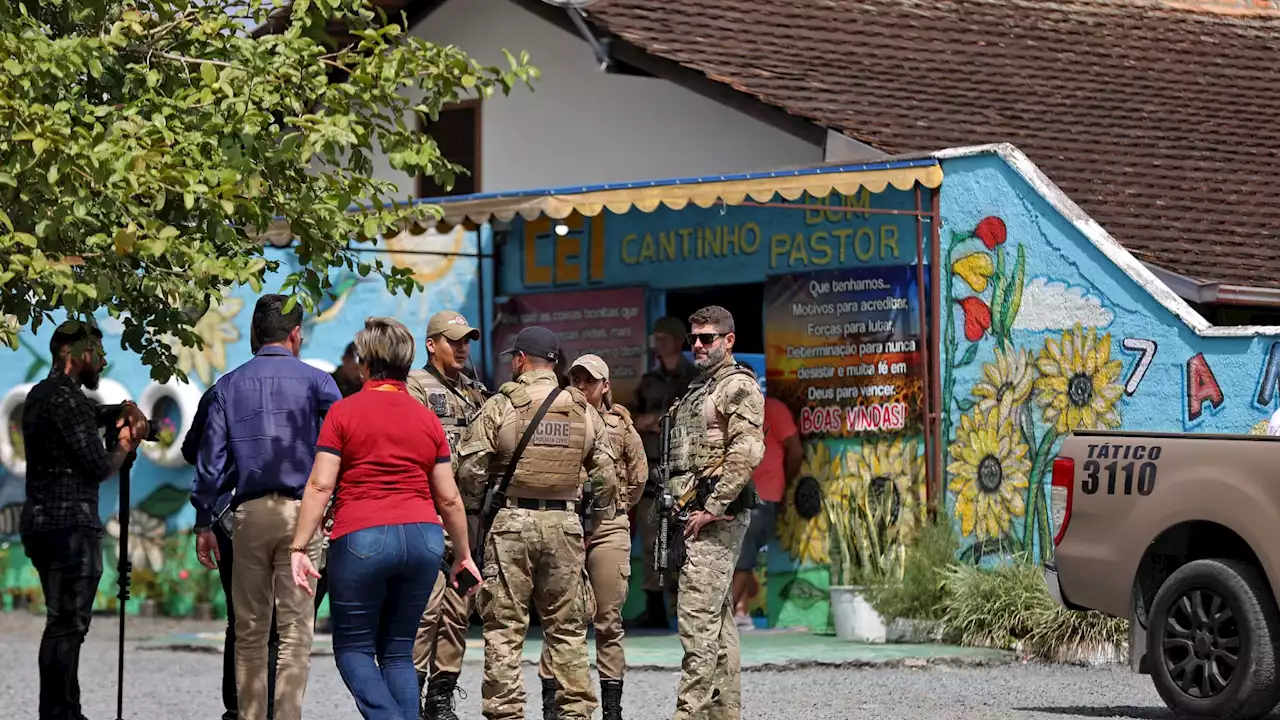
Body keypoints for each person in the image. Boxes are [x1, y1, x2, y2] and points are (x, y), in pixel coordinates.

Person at [288, 317, 482, 720]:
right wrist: (463, 554)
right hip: (425, 540)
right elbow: (448, 498)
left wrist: (299, 546)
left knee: (354, 650)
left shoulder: (343, 413)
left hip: (362, 538)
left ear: (364, 362)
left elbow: (321, 487)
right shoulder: (426, 418)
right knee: (397, 651)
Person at [456, 326, 620, 720]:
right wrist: (591, 517)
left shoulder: (501, 404)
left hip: (511, 523)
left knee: (505, 628)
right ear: (556, 363)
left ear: (519, 360)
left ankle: (505, 713)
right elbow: (608, 478)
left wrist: (478, 509)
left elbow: (471, 469)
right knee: (567, 629)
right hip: (564, 524)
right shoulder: (582, 408)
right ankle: (575, 713)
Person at [194, 294, 342, 720]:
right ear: (296, 334)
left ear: (256, 334)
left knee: (250, 630)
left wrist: (204, 521)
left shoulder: (227, 384)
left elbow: (210, 461)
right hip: (303, 515)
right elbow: (342, 448)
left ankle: (250, 716)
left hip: (249, 516)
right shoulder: (320, 384)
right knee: (296, 631)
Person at [19, 319, 148, 720]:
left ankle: (62, 710)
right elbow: (96, 465)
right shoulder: (66, 399)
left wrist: (120, 411)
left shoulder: (45, 395)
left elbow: (89, 415)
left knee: (62, 622)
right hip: (69, 525)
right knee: (68, 625)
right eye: (96, 352)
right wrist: (125, 445)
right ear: (72, 355)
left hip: (43, 523)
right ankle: (61, 714)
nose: (103, 361)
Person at [664, 306, 765, 720]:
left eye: (709, 338)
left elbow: (746, 452)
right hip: (695, 515)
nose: (700, 345)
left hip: (714, 519)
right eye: (695, 338)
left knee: (697, 622)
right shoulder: (700, 387)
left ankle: (689, 714)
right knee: (717, 621)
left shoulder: (736, 387)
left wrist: (712, 507)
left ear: (729, 340)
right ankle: (723, 713)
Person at [536, 354, 647, 720]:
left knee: (608, 620)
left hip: (606, 529)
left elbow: (639, 474)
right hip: (563, 524)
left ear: (605, 385)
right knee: (561, 620)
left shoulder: (620, 424)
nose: (582, 386)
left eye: (590, 380)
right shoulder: (555, 417)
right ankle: (552, 705)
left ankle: (611, 710)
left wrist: (616, 508)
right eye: (576, 379)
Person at [184, 351, 281, 720]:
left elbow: (194, 451)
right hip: (289, 514)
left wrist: (203, 518)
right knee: (277, 622)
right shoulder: (309, 384)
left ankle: (237, 707)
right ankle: (271, 707)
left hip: (229, 517)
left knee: (240, 618)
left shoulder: (223, 388)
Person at [406, 310, 489, 720]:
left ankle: (440, 698)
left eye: (466, 341)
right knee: (425, 610)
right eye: (453, 340)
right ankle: (412, 694)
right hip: (428, 514)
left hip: (469, 516)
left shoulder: (476, 393)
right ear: (431, 344)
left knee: (459, 611)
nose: (461, 348)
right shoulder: (414, 388)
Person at [630, 316, 699, 628]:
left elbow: (692, 418)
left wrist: (658, 419)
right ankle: (655, 609)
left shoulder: (694, 378)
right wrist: (653, 420)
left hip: (686, 472)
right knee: (650, 542)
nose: (658, 342)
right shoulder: (649, 380)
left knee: (683, 542)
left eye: (664, 336)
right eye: (655, 336)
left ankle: (684, 609)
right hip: (653, 474)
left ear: (677, 340)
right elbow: (633, 418)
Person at [731, 396, 801, 629]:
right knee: (736, 554)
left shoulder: (773, 408)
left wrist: (784, 483)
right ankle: (740, 611)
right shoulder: (727, 409)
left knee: (743, 556)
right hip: (732, 494)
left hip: (762, 493)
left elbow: (795, 450)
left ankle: (723, 614)